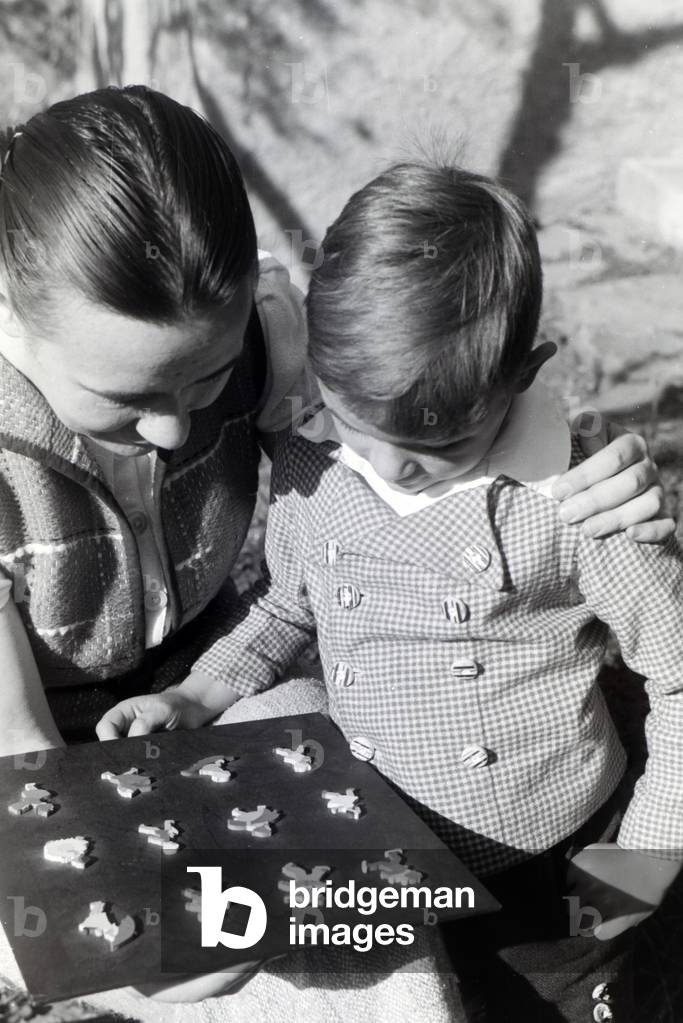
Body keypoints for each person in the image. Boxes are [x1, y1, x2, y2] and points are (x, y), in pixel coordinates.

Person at [100, 163, 683, 1021]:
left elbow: (678, 680)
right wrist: (195, 693)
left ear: (523, 374)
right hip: (382, 836)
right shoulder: (314, 461)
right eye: (358, 427)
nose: (389, 470)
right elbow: (287, 605)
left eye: (439, 445)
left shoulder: (575, 500)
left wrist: (640, 862)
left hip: (553, 856)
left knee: (570, 1003)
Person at [0, 83, 668, 761]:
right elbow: (21, 745)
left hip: (198, 671)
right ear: (10, 308)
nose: (173, 432)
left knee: (291, 725)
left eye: (208, 377)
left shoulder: (270, 334)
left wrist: (567, 464)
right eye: (127, 398)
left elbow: (416, 409)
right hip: (29, 711)